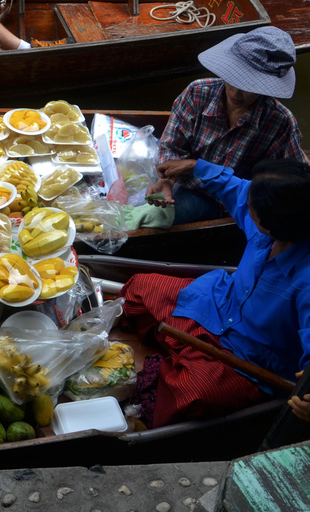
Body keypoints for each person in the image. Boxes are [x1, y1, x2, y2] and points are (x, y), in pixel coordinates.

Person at [122, 158, 310, 428]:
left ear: (268, 222)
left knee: (192, 392)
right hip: (216, 305)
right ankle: (181, 355)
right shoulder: (273, 222)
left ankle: (182, 361)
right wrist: (196, 167)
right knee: (140, 287)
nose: (246, 201)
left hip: (247, 359)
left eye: (252, 203)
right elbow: (234, 187)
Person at [145, 26, 307, 225]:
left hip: (227, 200)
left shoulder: (280, 122)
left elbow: (292, 183)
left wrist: (200, 169)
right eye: (234, 78)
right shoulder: (197, 93)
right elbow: (172, 146)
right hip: (185, 181)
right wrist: (167, 180)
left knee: (156, 218)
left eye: (250, 86)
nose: (237, 93)